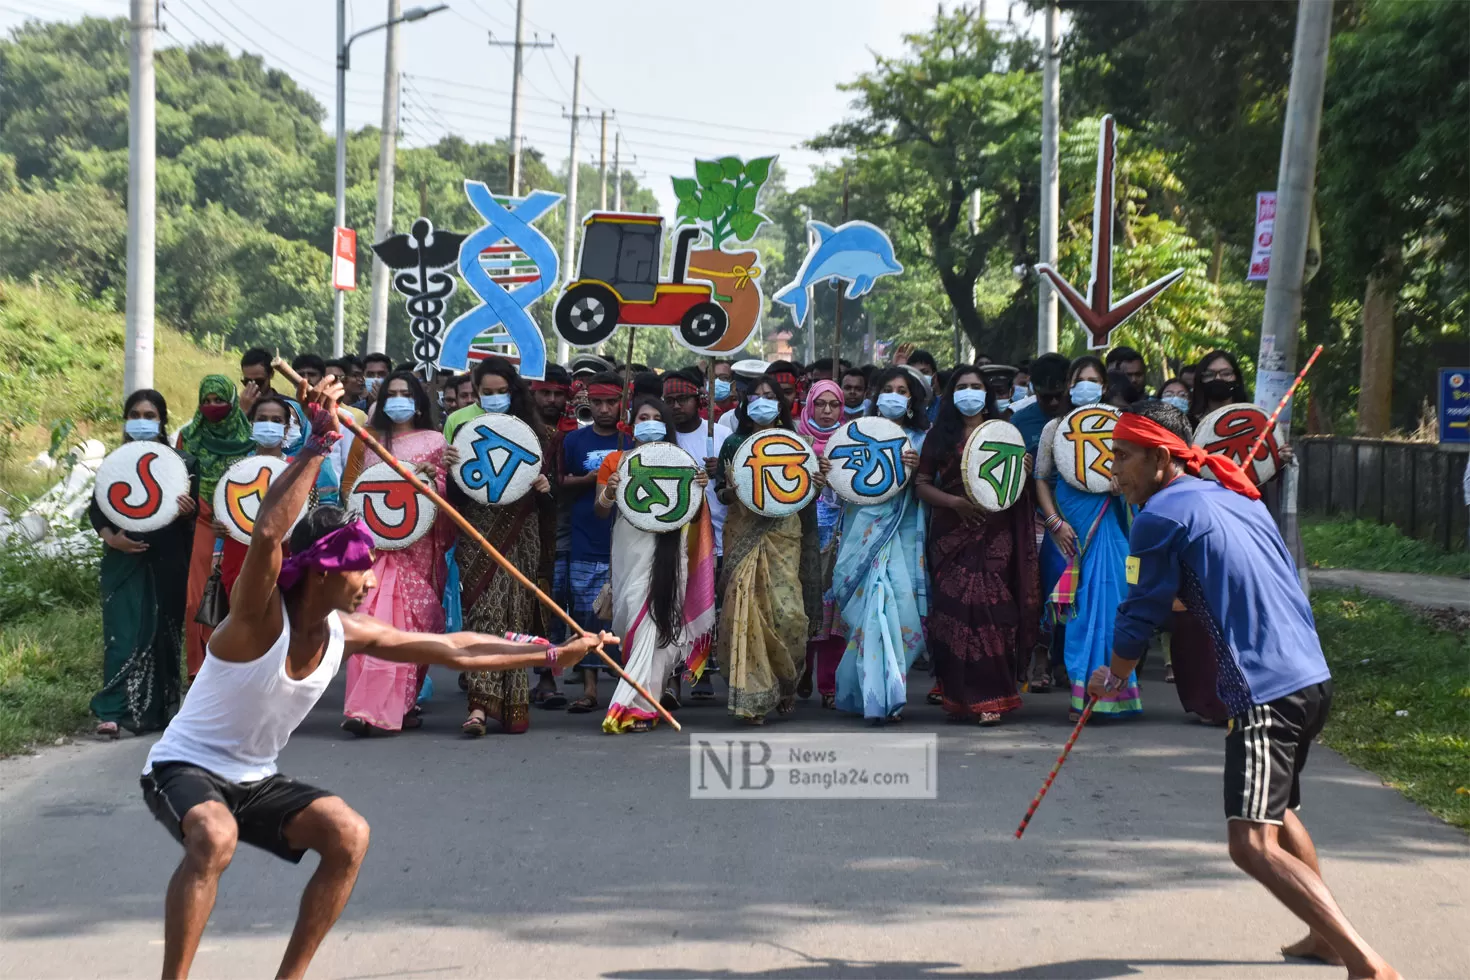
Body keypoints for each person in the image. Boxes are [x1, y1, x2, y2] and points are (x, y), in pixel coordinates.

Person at [141, 377, 613, 980]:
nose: (369, 583)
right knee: (213, 835)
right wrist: (316, 445)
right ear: (317, 572)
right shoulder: (255, 621)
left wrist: (551, 656)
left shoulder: (348, 631)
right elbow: (266, 534)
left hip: (252, 777)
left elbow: (455, 649)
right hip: (182, 768)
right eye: (358, 570)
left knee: (349, 835)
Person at [1098, 401, 1398, 980]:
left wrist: (1113, 675)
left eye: (1123, 456)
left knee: (1249, 844)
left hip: (1263, 691)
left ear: (1161, 458)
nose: (1114, 470)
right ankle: (1324, 935)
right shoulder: (1235, 495)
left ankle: (1367, 964)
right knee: (1280, 812)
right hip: (1309, 678)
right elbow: (1235, 579)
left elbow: (1140, 612)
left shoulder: (1158, 518)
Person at [916, 366, 1038, 724]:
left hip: (996, 532)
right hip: (952, 532)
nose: (970, 392)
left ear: (988, 394)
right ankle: (957, 694)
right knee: (953, 611)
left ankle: (992, 697)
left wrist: (1024, 473)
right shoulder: (938, 436)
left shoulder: (1005, 433)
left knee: (996, 611)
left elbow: (1014, 488)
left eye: (976, 387)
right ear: (951, 394)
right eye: (962, 387)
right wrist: (955, 504)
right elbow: (922, 484)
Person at [443, 357, 556, 735]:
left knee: (514, 619)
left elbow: (548, 494)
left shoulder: (536, 435)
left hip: (522, 534)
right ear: (475, 394)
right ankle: (478, 707)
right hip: (477, 534)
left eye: (500, 392)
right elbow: (457, 495)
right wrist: (449, 469)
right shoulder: (464, 429)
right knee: (484, 616)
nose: (493, 398)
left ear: (514, 392)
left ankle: (512, 705)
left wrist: (544, 488)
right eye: (486, 393)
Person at [341, 372, 455, 736]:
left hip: (420, 547)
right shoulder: (372, 441)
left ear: (419, 400)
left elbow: (446, 494)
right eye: (392, 394)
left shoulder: (436, 440)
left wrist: (433, 477)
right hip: (378, 548)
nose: (399, 399)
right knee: (371, 620)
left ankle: (402, 704)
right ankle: (363, 709)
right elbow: (358, 494)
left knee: (410, 625)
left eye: (407, 393)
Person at [593, 397, 715, 731]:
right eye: (643, 417)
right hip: (629, 549)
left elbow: (689, 511)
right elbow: (600, 510)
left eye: (656, 417)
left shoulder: (682, 461)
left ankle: (642, 706)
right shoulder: (616, 461)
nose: (650, 422)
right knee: (632, 616)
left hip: (671, 551)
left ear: (666, 425)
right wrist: (610, 491)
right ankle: (641, 698)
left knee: (658, 623)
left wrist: (700, 489)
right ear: (631, 424)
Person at [1033, 356, 1140, 720]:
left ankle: (1114, 695)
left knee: (1113, 610)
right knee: (1077, 617)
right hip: (1068, 530)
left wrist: (1121, 484)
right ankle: (1082, 695)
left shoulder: (1121, 427)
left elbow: (1138, 477)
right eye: (1080, 379)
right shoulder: (1054, 429)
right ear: (1069, 385)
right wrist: (1053, 522)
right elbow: (1041, 480)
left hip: (1110, 525)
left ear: (1104, 387)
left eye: (1094, 379)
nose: (1087, 385)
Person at [713, 374, 821, 724]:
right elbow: (722, 495)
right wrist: (733, 488)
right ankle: (752, 699)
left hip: (784, 536)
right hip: (744, 535)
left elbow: (804, 496)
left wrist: (817, 485)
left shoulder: (796, 442)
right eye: (755, 395)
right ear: (745, 403)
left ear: (781, 404)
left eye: (769, 395)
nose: (762, 401)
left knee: (789, 616)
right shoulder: (733, 443)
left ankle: (785, 682)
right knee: (744, 612)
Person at [90, 390, 198, 738]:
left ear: (162, 420)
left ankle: (157, 713)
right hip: (123, 563)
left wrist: (188, 512)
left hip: (167, 562)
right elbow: (97, 509)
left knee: (162, 639)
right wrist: (111, 538)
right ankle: (112, 712)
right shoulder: (114, 463)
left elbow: (194, 517)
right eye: (135, 413)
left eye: (149, 414)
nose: (142, 420)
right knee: (122, 636)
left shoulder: (184, 463)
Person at [831, 366, 928, 723]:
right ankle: (868, 694)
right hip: (863, 534)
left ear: (912, 400)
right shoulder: (855, 435)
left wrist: (917, 470)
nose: (894, 396)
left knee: (900, 611)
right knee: (867, 614)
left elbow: (930, 490)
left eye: (902, 390)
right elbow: (841, 488)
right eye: (888, 388)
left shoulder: (921, 441)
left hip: (901, 534)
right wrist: (828, 471)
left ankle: (892, 690)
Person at [176, 375, 257, 678]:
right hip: (200, 521)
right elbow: (179, 479)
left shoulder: (250, 438)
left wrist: (235, 517)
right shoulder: (189, 436)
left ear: (233, 403)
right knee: (196, 599)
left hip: (239, 526)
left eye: (219, 400)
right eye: (206, 401)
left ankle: (232, 667)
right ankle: (199, 669)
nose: (212, 407)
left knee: (234, 594)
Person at [558, 371, 624, 714]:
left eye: (611, 402)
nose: (603, 409)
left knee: (625, 618)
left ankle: (628, 689)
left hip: (625, 542)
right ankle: (589, 689)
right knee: (585, 615)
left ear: (621, 403)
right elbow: (561, 482)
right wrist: (591, 480)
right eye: (597, 402)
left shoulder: (633, 442)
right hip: (584, 539)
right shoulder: (573, 441)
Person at [796, 379, 845, 708]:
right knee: (803, 609)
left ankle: (829, 684)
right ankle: (800, 672)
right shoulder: (795, 442)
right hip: (801, 536)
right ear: (809, 404)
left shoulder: (851, 440)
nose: (827, 411)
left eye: (834, 405)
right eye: (820, 404)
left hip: (841, 536)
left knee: (834, 616)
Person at [1008, 352, 1069, 456]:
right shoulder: (1018, 422)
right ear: (1034, 390)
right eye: (1047, 397)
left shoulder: (1082, 418)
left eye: (1059, 395)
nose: (1054, 402)